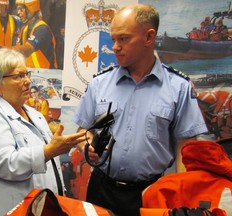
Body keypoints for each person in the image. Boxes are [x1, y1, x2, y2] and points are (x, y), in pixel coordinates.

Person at [73, 4, 208, 216]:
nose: (115, 46)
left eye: (124, 39)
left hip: (151, 192)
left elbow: (186, 148)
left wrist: (183, 196)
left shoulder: (178, 87)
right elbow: (83, 131)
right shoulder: (100, 83)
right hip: (102, 189)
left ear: (149, 37)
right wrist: (87, 145)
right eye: (113, 39)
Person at [0, 48, 85, 216]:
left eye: (27, 74)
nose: (27, 80)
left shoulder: (34, 115)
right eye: (18, 76)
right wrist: (49, 151)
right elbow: (4, 163)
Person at [0, 0, 58, 69]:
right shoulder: (24, 29)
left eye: (21, 9)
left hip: (46, 77)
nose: (18, 13)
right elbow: (16, 49)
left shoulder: (42, 29)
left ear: (31, 9)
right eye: (17, 9)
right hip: (30, 74)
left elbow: (26, 49)